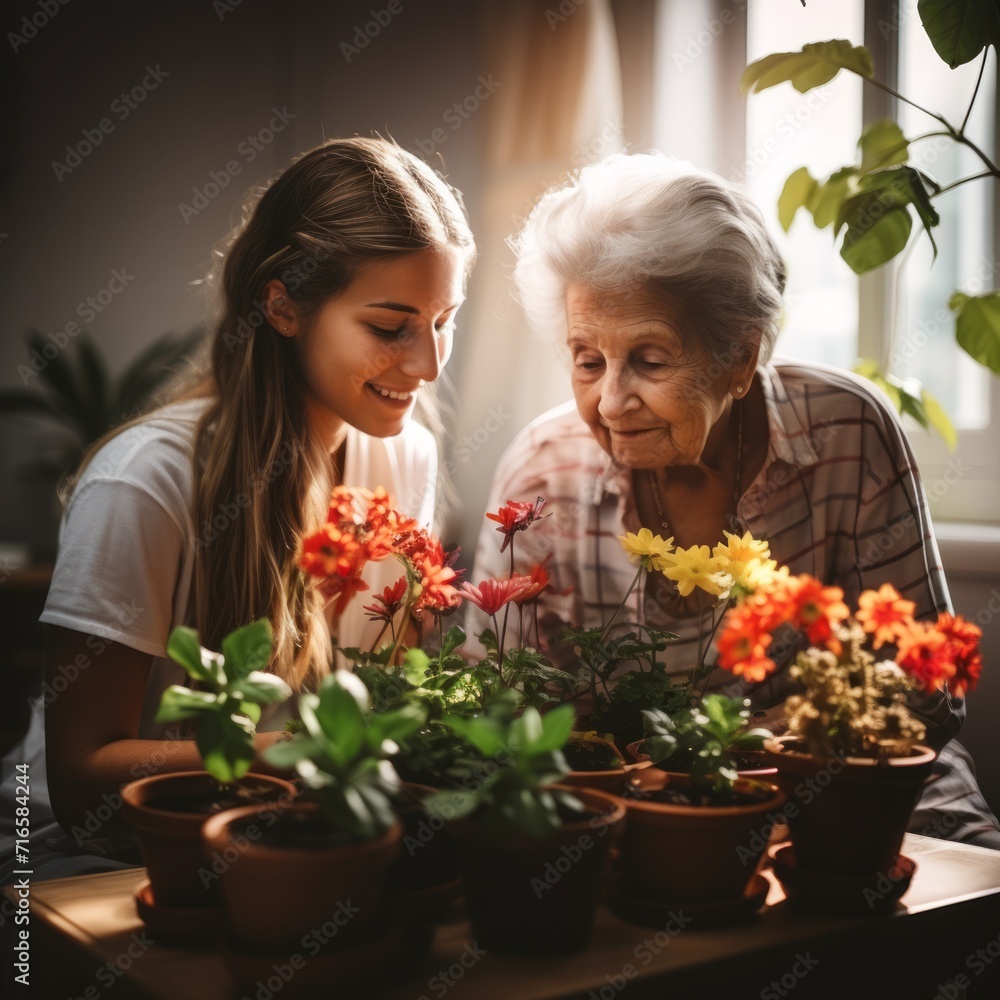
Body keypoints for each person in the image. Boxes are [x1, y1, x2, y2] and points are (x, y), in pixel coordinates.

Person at [470, 152, 1000, 848]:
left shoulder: (847, 430)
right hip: (634, 809)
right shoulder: (543, 477)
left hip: (858, 785)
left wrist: (773, 778)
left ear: (741, 357)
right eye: (587, 359)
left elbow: (925, 686)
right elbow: (497, 710)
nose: (611, 400)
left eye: (650, 360)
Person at [5, 137, 475, 882]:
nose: (428, 365)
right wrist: (299, 755)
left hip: (291, 834)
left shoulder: (404, 455)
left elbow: (388, 687)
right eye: (391, 327)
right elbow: (79, 779)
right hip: (93, 859)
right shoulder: (141, 485)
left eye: (444, 319)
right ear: (283, 306)